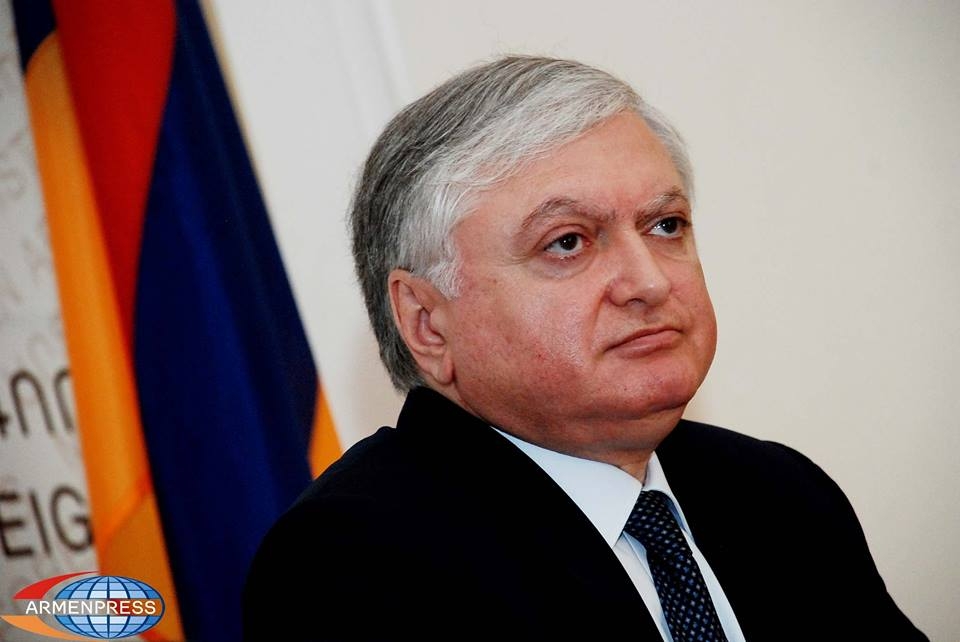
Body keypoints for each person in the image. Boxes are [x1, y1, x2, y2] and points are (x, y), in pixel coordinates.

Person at [243, 56, 926, 641]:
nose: (649, 282)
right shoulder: (353, 561)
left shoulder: (778, 493)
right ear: (427, 323)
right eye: (567, 242)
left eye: (665, 225)